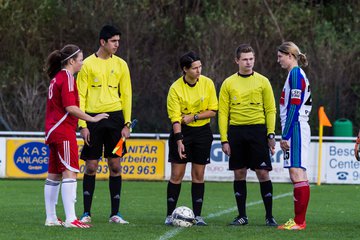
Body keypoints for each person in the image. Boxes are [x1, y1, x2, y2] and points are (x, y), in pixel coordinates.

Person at [44, 44, 109, 228]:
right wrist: (92, 119)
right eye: (80, 60)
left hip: (52, 130)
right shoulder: (67, 78)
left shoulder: (56, 77)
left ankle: (51, 217)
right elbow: (70, 107)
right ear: (71, 61)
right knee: (70, 171)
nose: (82, 63)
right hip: (63, 131)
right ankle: (71, 219)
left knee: (54, 174)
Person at [76, 25, 132, 224]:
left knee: (115, 165)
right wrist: (82, 124)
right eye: (113, 41)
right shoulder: (87, 65)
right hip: (92, 119)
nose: (117, 44)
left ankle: (115, 214)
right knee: (91, 166)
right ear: (103, 42)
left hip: (116, 121)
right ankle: (86, 213)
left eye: (118, 41)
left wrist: (127, 123)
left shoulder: (122, 65)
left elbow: (126, 94)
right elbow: (80, 95)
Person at [218, 44, 277, 226]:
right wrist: (224, 139)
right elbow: (223, 113)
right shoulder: (228, 83)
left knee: (263, 173)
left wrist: (271, 134)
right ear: (237, 61)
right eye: (244, 59)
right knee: (239, 173)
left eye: (251, 58)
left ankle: (269, 217)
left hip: (258, 131)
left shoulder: (263, 81)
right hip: (236, 132)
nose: (248, 62)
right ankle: (242, 216)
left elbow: (270, 109)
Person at [165, 51, 218, 226]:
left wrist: (193, 117)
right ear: (185, 69)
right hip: (182, 133)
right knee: (176, 175)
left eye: (200, 66)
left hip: (202, 132)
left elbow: (213, 111)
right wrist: (179, 141)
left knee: (198, 175)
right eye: (195, 68)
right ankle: (169, 215)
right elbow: (175, 118)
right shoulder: (175, 89)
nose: (199, 70)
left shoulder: (208, 83)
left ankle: (198, 215)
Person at [276, 41, 312, 230]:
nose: (278, 60)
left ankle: (299, 222)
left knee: (296, 172)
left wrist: (285, 135)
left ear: (289, 56)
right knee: (299, 173)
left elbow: (294, 106)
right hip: (298, 126)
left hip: (296, 127)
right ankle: (299, 220)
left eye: (280, 56)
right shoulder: (294, 74)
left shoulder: (296, 74)